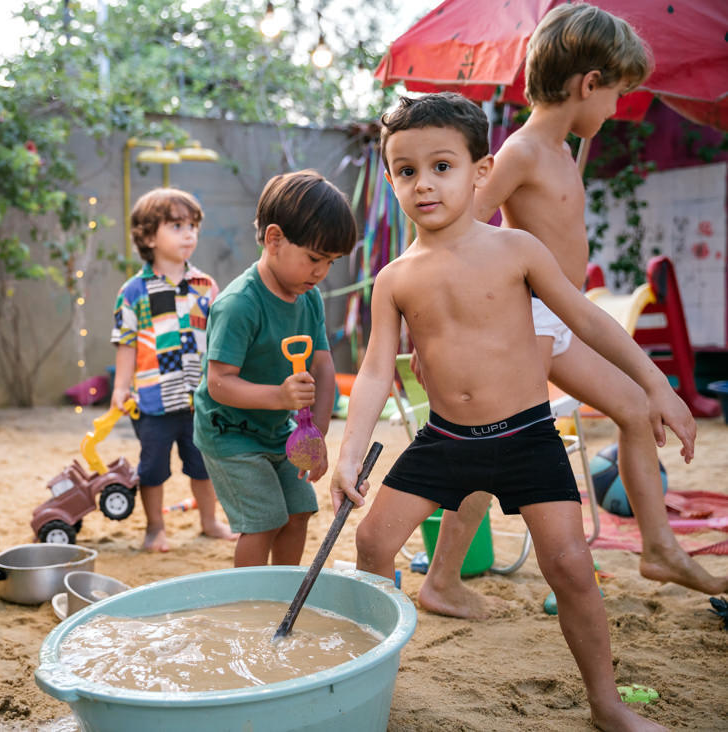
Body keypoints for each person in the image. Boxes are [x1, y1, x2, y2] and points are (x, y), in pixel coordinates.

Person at [332, 92, 688, 731]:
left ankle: (607, 704)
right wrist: (351, 454)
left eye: (442, 166)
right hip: (444, 440)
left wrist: (655, 384)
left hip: (527, 436)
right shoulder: (395, 278)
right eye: (407, 170)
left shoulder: (517, 249)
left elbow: (585, 320)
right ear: (389, 179)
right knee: (372, 541)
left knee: (570, 565)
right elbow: (377, 371)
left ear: (481, 171)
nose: (424, 183)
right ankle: (369, 684)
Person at [420, 2, 724, 620]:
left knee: (636, 409)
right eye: (616, 93)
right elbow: (455, 229)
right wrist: (435, 328)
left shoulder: (561, 150)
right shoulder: (522, 151)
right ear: (588, 84)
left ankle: (659, 548)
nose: (616, 108)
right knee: (494, 445)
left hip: (559, 320)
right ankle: (442, 580)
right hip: (524, 322)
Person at [194, 170, 357, 567]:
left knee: (300, 510)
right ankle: (250, 596)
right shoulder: (239, 304)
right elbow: (219, 383)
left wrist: (316, 437)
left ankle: (281, 589)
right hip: (229, 433)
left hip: (277, 430)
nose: (321, 272)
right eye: (314, 258)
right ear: (274, 239)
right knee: (264, 520)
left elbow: (323, 366)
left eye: (331, 262)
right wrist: (280, 397)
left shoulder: (309, 298)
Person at [111, 187, 236, 552]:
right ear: (149, 236)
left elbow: (219, 339)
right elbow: (126, 342)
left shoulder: (205, 287)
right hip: (153, 402)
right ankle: (155, 528)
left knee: (203, 464)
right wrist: (120, 387)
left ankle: (210, 521)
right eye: (177, 226)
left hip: (200, 399)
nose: (189, 234)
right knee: (152, 469)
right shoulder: (133, 291)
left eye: (193, 226)